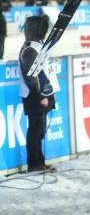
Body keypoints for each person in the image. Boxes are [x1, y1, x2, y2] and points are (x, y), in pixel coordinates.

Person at [17, 15, 57, 172]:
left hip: (39, 94)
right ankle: (34, 164)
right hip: (34, 96)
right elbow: (32, 77)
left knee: (39, 130)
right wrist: (42, 96)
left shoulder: (36, 46)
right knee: (35, 131)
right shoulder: (30, 49)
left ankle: (39, 162)